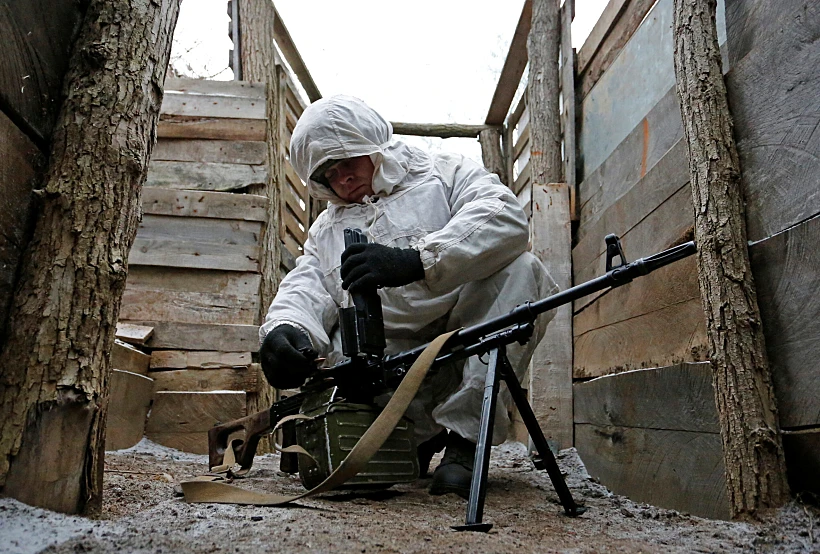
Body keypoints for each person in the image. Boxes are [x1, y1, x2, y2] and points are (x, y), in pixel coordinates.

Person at [259, 95, 557, 498]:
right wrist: (284, 331)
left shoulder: (445, 172)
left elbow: (504, 217)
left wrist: (417, 260)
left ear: (371, 146)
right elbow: (306, 288)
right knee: (331, 340)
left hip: (464, 347)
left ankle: (466, 443)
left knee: (524, 271)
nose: (343, 178)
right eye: (329, 173)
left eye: (347, 161)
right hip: (388, 378)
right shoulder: (324, 231)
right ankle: (407, 442)